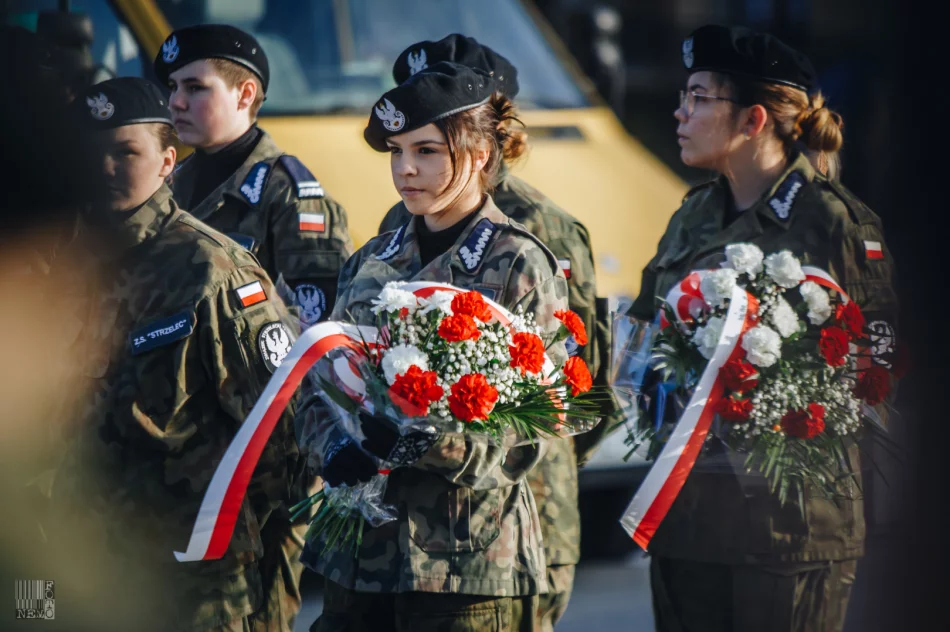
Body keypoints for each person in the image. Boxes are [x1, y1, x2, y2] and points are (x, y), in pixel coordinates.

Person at [628, 25, 901, 632]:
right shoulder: (693, 213)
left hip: (790, 529)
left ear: (753, 120)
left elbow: (878, 377)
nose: (680, 111)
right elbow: (644, 335)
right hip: (689, 521)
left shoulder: (835, 224)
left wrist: (777, 395)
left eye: (699, 97)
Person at [296, 61, 569, 631]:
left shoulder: (519, 264)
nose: (406, 169)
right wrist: (331, 449)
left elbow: (534, 428)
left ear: (480, 155)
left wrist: (418, 442)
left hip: (462, 565)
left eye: (426, 151)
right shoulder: (375, 259)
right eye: (396, 152)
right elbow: (316, 380)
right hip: (359, 561)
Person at [46, 77, 305, 631]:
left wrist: (270, 599)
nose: (105, 169)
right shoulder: (55, 264)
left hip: (187, 583)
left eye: (125, 152)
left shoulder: (212, 271)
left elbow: (280, 441)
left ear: (167, 162)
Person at [380, 35, 613, 628]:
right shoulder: (399, 221)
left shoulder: (535, 236)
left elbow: (580, 389)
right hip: (398, 530)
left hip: (509, 511)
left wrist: (514, 474)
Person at [153, 24, 354, 327]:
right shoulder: (167, 182)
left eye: (195, 88)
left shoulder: (289, 196)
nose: (175, 102)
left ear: (245, 94)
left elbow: (316, 330)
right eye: (173, 86)